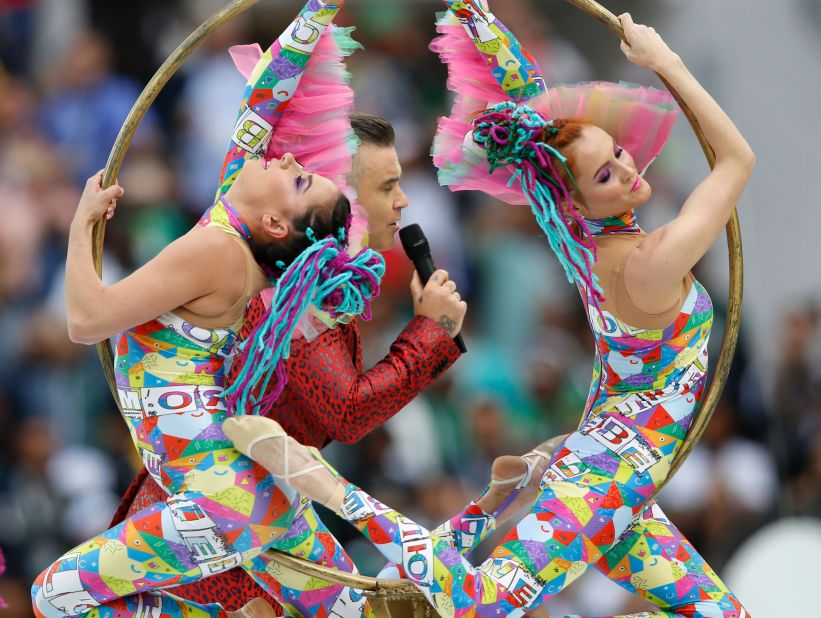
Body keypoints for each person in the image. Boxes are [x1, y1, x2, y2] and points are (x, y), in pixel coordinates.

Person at [222, 5, 754, 617]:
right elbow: (738, 160)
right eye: (607, 173)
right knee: (478, 607)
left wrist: (477, 17)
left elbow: (538, 115)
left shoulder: (579, 234)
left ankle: (491, 502)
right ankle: (345, 494)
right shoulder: (650, 260)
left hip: (618, 471)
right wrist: (665, 63)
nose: (630, 169)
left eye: (619, 155)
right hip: (604, 481)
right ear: (580, 198)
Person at [30, 2, 387, 617]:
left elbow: (85, 321)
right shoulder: (229, 219)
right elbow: (264, 103)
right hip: (227, 489)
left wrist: (79, 224)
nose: (293, 160)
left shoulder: (216, 251)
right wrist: (316, 12)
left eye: (301, 181)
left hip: (220, 496)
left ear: (275, 222)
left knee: (54, 597)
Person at [108, 113, 473, 617]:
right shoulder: (296, 291)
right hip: (228, 529)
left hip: (248, 517)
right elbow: (346, 411)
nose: (402, 200)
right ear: (343, 194)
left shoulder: (320, 278)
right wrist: (429, 334)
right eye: (388, 184)